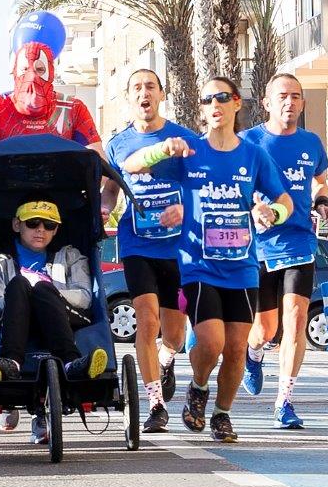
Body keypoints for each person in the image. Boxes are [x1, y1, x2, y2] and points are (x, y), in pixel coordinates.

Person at [123, 77, 293, 443]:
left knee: (235, 349)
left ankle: (222, 414)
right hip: (198, 265)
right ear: (201, 109)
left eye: (222, 97)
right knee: (211, 342)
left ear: (236, 104)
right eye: (206, 99)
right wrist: (160, 150)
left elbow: (284, 200)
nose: (214, 104)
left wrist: (272, 213)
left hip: (243, 267)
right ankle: (198, 387)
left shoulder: (254, 155)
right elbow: (132, 165)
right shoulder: (190, 153)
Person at [239, 73, 328, 429]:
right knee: (266, 329)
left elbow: (319, 179)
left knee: (295, 323)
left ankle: (285, 402)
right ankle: (254, 353)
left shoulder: (310, 142)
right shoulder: (250, 141)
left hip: (299, 242)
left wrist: (322, 201)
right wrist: (253, 208)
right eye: (282, 96)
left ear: (302, 103)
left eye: (296, 96)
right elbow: (235, 183)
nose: (289, 102)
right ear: (267, 102)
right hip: (260, 246)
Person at [103, 69, 194, 433]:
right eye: (137, 87)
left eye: (150, 87)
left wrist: (187, 210)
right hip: (137, 243)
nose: (144, 93)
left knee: (173, 333)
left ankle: (167, 358)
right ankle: (155, 403)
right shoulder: (117, 144)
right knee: (147, 320)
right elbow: (111, 187)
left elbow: (199, 186)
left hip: (176, 248)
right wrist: (104, 207)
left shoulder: (185, 138)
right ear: (129, 97)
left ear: (161, 95)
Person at [0, 200, 109, 443]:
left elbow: (84, 296)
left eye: (49, 225)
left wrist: (45, 292)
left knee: (43, 290)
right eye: (33, 223)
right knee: (19, 285)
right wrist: (27, 296)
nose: (41, 230)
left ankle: (71, 363)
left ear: (56, 229)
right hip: (14, 316)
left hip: (64, 315)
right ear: (17, 224)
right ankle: (11, 363)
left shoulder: (71, 256)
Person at [0, 41, 102, 156]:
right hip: (6, 184)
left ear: (51, 73)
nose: (32, 77)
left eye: (40, 70)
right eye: (25, 69)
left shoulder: (73, 109)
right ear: (15, 72)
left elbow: (100, 168)